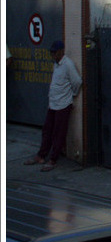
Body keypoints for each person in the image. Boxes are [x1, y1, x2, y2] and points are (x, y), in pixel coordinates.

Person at [24, 40, 83, 172]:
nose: (53, 55)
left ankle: (53, 159)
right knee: (47, 130)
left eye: (54, 52)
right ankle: (41, 155)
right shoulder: (56, 65)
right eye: (51, 53)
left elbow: (77, 81)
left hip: (63, 104)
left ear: (61, 51)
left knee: (59, 132)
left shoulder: (68, 64)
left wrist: (71, 95)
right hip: (53, 103)